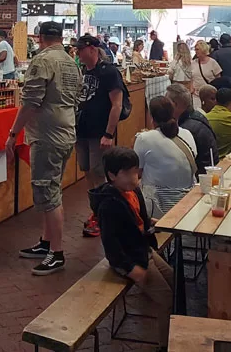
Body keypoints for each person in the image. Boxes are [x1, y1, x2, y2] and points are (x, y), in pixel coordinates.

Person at [6, 22, 81, 276]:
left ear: (39, 38)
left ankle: (56, 253)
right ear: (60, 37)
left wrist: (13, 132)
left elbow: (30, 102)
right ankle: (47, 242)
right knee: (53, 187)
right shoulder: (71, 62)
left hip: (47, 134)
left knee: (48, 194)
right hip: (67, 130)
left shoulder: (42, 60)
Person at [89, 147, 173, 348]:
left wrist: (153, 223)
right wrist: (130, 268)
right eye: (127, 173)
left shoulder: (133, 191)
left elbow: (139, 220)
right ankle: (166, 344)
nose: (133, 177)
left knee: (173, 278)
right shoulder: (109, 204)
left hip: (142, 249)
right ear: (112, 175)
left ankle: (174, 332)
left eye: (135, 171)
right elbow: (111, 246)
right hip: (130, 259)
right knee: (166, 297)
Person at [76, 35, 125, 237]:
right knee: (87, 170)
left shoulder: (109, 72)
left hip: (99, 132)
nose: (77, 53)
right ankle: (96, 211)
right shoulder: (81, 71)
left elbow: (117, 104)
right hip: (82, 131)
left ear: (92, 49)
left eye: (80, 49)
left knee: (100, 174)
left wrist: (108, 133)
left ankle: (105, 214)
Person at [135, 96, 196, 217]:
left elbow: (136, 172)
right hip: (187, 203)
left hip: (156, 207)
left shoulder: (144, 138)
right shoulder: (187, 134)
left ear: (151, 117)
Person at [165, 84, 218, 177]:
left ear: (175, 104)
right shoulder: (197, 116)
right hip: (206, 173)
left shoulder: (187, 130)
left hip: (201, 180)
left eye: (166, 103)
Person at [191, 39, 221, 108]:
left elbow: (218, 79)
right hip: (196, 96)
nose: (195, 51)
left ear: (203, 50)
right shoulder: (193, 63)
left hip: (209, 96)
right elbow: (191, 77)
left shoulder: (212, 62)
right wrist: (191, 88)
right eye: (195, 49)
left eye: (197, 49)